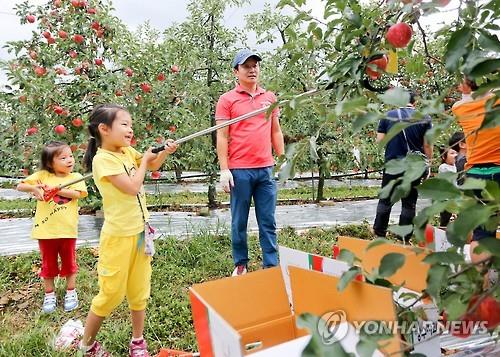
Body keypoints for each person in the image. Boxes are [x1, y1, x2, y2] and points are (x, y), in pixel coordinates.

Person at [80, 104, 177, 357]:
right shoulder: (103, 160)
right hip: (118, 238)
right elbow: (133, 187)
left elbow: (153, 166)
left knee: (139, 290)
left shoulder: (125, 151)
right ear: (104, 129)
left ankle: (138, 341)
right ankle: (86, 345)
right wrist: (144, 159)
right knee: (110, 294)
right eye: (124, 124)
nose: (130, 128)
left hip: (140, 233)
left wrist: (163, 153)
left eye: (130, 124)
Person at [216, 49, 284, 276]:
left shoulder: (269, 98)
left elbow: (276, 131)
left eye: (255, 65)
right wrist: (224, 169)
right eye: (246, 66)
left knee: (268, 221)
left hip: (265, 169)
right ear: (236, 71)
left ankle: (271, 266)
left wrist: (281, 157)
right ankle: (241, 263)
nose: (252, 69)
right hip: (240, 170)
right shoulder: (227, 100)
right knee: (239, 221)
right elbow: (222, 136)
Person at [16, 141, 88, 314]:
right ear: (50, 163)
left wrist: (56, 190)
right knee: (48, 264)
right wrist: (34, 188)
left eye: (70, 156)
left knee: (69, 262)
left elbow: (77, 194)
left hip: (67, 230)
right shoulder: (43, 176)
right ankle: (49, 294)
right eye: (63, 158)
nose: (69, 160)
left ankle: (71, 292)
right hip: (46, 231)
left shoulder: (74, 177)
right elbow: (20, 186)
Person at [372, 91, 433, 241]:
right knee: (409, 202)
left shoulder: (388, 116)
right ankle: (404, 237)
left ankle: (379, 233)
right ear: (415, 101)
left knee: (386, 199)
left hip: (393, 165)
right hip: (414, 167)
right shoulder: (424, 118)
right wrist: (428, 163)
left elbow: (380, 141)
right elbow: (427, 144)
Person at [452, 77, 500, 265]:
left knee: (481, 233)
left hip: (474, 176)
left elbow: (466, 98)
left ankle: (480, 287)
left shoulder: (460, 108)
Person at [438, 146, 458, 227]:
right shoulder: (443, 167)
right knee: (445, 219)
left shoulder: (454, 166)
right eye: (452, 153)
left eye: (456, 153)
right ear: (444, 156)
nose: (455, 155)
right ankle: (441, 235)